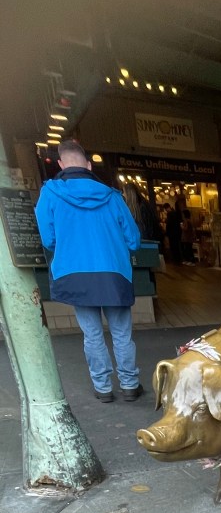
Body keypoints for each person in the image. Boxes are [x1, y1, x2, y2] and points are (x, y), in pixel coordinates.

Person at [34, 139, 144, 403]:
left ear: (61, 164)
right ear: (88, 164)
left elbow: (48, 239)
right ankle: (130, 384)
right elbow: (134, 240)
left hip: (75, 273)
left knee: (92, 334)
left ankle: (103, 387)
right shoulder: (112, 196)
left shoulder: (50, 194)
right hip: (114, 273)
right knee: (121, 333)